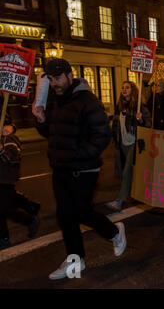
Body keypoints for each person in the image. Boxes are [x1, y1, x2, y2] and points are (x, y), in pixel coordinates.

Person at [32, 58, 127, 279]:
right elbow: (51, 133)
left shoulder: (87, 100)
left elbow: (102, 135)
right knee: (65, 217)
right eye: (51, 79)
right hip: (60, 168)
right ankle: (76, 261)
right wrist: (41, 120)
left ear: (69, 75)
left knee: (81, 212)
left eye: (58, 78)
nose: (55, 83)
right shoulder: (55, 102)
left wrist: (79, 155)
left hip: (82, 169)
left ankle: (114, 232)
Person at [107, 81, 151, 212]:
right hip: (123, 143)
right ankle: (139, 194)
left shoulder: (140, 107)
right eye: (122, 87)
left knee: (126, 171)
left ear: (133, 90)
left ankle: (119, 200)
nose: (124, 89)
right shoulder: (119, 106)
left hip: (135, 143)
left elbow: (149, 124)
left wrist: (141, 119)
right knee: (133, 171)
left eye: (127, 87)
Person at [0, 109, 40, 250]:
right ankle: (32, 207)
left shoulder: (8, 137)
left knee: (3, 208)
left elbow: (12, 158)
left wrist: (1, 149)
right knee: (7, 199)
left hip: (4, 177)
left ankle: (5, 237)